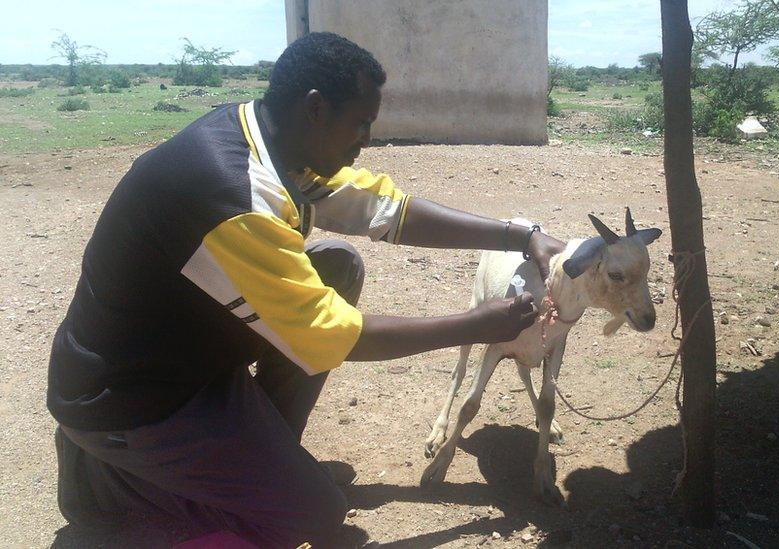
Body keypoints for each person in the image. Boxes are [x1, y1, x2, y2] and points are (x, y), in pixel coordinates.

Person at [48, 32, 565, 548]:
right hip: (130, 397)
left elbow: (388, 211)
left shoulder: (273, 140)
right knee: (313, 518)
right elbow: (331, 335)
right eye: (360, 123)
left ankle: (257, 460)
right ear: (316, 109)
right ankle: (108, 487)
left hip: (181, 355)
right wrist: (479, 325)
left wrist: (519, 234)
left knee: (336, 267)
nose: (366, 139)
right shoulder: (234, 194)